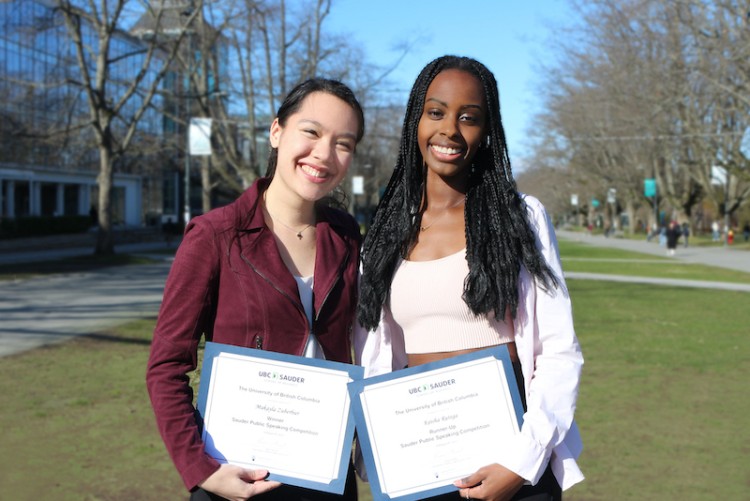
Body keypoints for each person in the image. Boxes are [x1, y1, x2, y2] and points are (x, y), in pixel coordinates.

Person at [356, 55, 583, 501]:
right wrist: (376, 448)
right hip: (418, 458)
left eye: (469, 118)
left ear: (487, 131)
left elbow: (559, 350)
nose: (450, 131)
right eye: (436, 112)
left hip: (508, 453)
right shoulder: (384, 233)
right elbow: (375, 354)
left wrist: (521, 462)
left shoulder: (521, 218)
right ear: (415, 121)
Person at [146, 78, 365, 501]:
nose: (324, 154)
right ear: (276, 131)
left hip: (327, 478)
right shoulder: (215, 235)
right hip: (236, 479)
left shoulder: (346, 235)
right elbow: (166, 367)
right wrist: (201, 469)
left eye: (344, 143)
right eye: (312, 132)